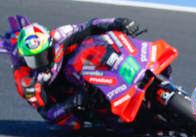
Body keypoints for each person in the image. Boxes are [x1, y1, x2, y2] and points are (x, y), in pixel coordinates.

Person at [9, 17, 139, 131]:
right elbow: (47, 113)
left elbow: (91, 25)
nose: (39, 63)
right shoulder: (28, 82)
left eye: (42, 56)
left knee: (97, 41)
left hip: (74, 64)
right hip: (57, 92)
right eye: (32, 59)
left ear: (50, 45)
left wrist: (118, 22)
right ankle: (100, 116)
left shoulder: (60, 36)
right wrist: (71, 103)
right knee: (73, 125)